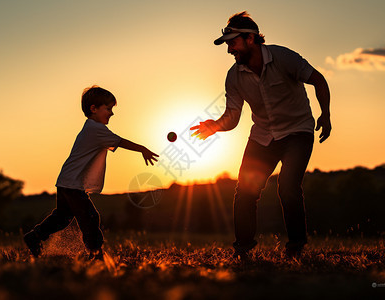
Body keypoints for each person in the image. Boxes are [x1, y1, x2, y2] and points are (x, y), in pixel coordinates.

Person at [190, 12, 331, 259]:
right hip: (263, 137)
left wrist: (326, 114)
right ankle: (243, 248)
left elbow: (318, 80)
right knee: (245, 190)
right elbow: (232, 118)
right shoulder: (234, 76)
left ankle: (296, 246)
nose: (229, 49)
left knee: (287, 186)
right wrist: (215, 126)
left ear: (251, 39)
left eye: (232, 42)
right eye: (227, 44)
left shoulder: (284, 57)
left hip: (298, 131)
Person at [24, 86, 159, 260]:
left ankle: (34, 237)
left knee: (62, 217)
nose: (111, 113)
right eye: (108, 109)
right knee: (90, 217)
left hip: (67, 181)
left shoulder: (91, 128)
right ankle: (96, 254)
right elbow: (120, 141)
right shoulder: (96, 129)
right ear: (93, 109)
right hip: (72, 184)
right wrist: (142, 149)